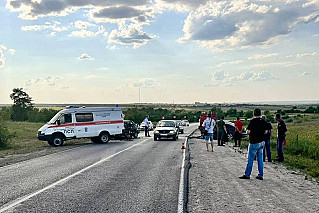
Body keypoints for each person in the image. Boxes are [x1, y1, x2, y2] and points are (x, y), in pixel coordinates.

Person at [240, 108, 267, 180]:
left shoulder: (252, 121)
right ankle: (260, 175)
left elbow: (248, 132)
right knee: (260, 159)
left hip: (254, 142)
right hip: (262, 142)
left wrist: (249, 131)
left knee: (250, 159)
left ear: (254, 114)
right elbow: (266, 131)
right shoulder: (263, 121)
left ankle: (247, 174)